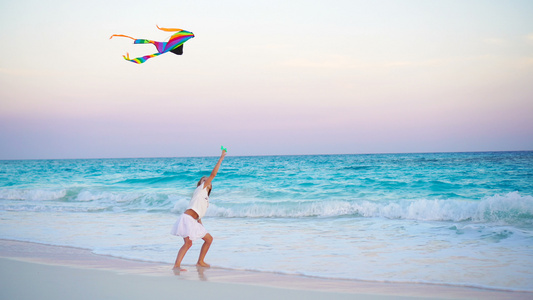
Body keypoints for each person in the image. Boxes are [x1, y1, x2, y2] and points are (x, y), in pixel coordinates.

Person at [171, 149, 227, 271]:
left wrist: (201, 228)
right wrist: (221, 158)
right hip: (187, 219)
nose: (207, 181)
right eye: (204, 180)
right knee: (188, 243)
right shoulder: (200, 190)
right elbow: (213, 175)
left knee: (208, 239)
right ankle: (177, 266)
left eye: (207, 181)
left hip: (193, 220)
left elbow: (199, 214)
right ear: (200, 184)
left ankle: (200, 261)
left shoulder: (205, 198)